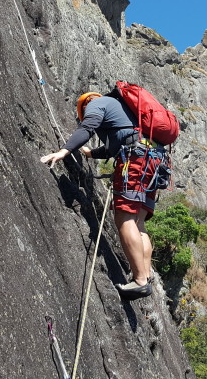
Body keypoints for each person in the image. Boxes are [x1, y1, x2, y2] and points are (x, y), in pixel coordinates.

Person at [40, 91, 157, 300]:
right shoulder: (121, 112)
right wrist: (91, 153)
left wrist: (64, 151)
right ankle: (145, 276)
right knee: (139, 223)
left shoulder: (96, 104)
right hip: (153, 161)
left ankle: (139, 281)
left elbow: (87, 128)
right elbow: (113, 147)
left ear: (85, 105)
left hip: (135, 160)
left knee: (124, 217)